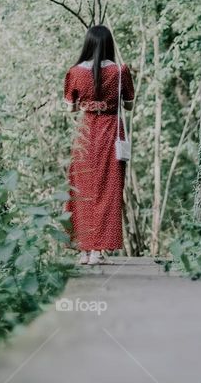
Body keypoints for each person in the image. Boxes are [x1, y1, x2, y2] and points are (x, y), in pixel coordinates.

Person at [64, 25, 134, 265]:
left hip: (85, 134)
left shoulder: (74, 72)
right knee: (108, 189)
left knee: (81, 188)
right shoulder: (119, 71)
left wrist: (88, 103)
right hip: (110, 131)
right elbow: (129, 105)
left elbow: (71, 107)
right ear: (109, 45)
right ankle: (98, 250)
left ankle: (83, 249)